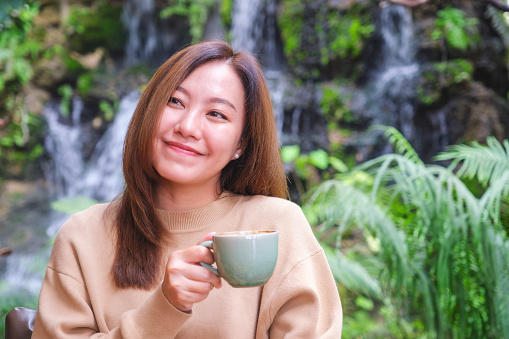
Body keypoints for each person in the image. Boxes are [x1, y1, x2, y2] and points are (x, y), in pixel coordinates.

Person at [32, 40, 343, 338]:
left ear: (241, 144)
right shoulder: (82, 237)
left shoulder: (275, 229)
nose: (187, 127)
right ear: (148, 111)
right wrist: (163, 308)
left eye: (216, 114)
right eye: (175, 101)